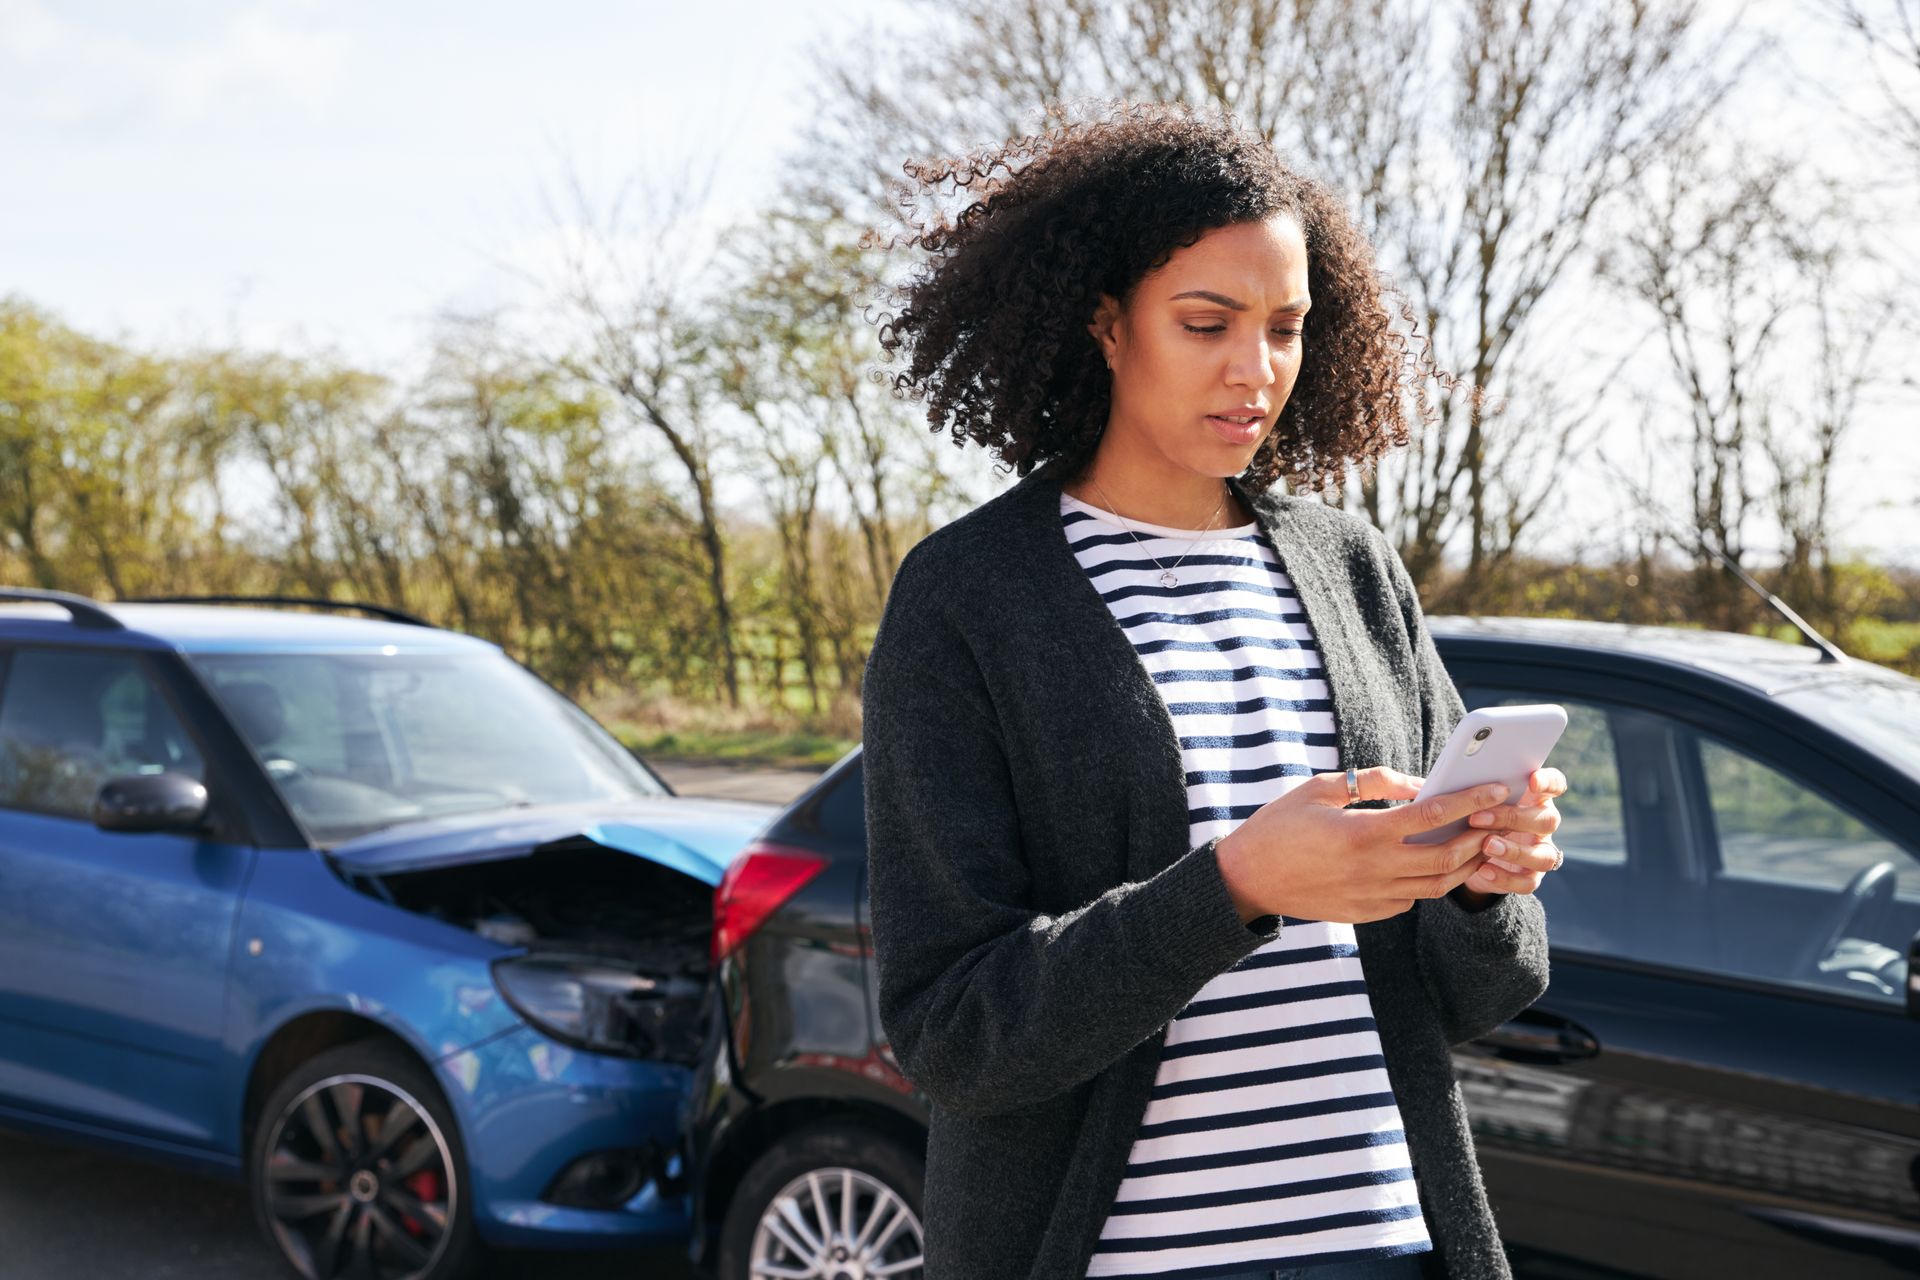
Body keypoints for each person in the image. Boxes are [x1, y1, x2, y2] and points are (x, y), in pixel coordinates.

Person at [859, 101, 1566, 1280]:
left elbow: (1490, 986)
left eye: (1286, 327)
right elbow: (954, 1032)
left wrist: (1482, 880)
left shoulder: (1352, 568)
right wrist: (1233, 886)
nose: (1257, 370)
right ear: (1105, 323)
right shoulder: (968, 596)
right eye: (1208, 323)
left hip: (1385, 1241)